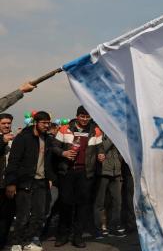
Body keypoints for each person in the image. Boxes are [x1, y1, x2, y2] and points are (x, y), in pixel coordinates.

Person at [51, 106, 104, 248]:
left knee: (82, 205)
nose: (85, 119)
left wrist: (101, 154)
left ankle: (78, 236)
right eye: (82, 116)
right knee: (65, 203)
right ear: (77, 116)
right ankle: (63, 235)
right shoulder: (64, 128)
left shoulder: (96, 130)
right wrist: (64, 153)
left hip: (85, 173)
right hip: (67, 172)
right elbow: (54, 146)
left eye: (87, 117)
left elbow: (100, 148)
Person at [4, 111, 56, 251]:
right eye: (44, 123)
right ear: (35, 122)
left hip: (41, 181)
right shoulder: (23, 138)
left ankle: (29, 240)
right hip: (24, 181)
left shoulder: (48, 139)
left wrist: (50, 178)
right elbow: (13, 161)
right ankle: (16, 242)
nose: (46, 125)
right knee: (23, 215)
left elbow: (49, 161)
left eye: (48, 123)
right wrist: (11, 183)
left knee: (39, 214)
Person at [94, 133, 126, 238]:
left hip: (116, 172)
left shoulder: (115, 131)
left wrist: (119, 162)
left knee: (117, 202)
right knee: (100, 203)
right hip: (102, 172)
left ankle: (114, 227)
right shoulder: (97, 132)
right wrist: (112, 137)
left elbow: (121, 151)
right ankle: (98, 229)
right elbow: (102, 148)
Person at [0, 113, 16, 249]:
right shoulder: (3, 139)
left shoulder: (14, 139)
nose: (7, 125)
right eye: (3, 123)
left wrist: (12, 183)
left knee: (7, 215)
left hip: (9, 183)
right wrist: (2, 141)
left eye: (8, 123)